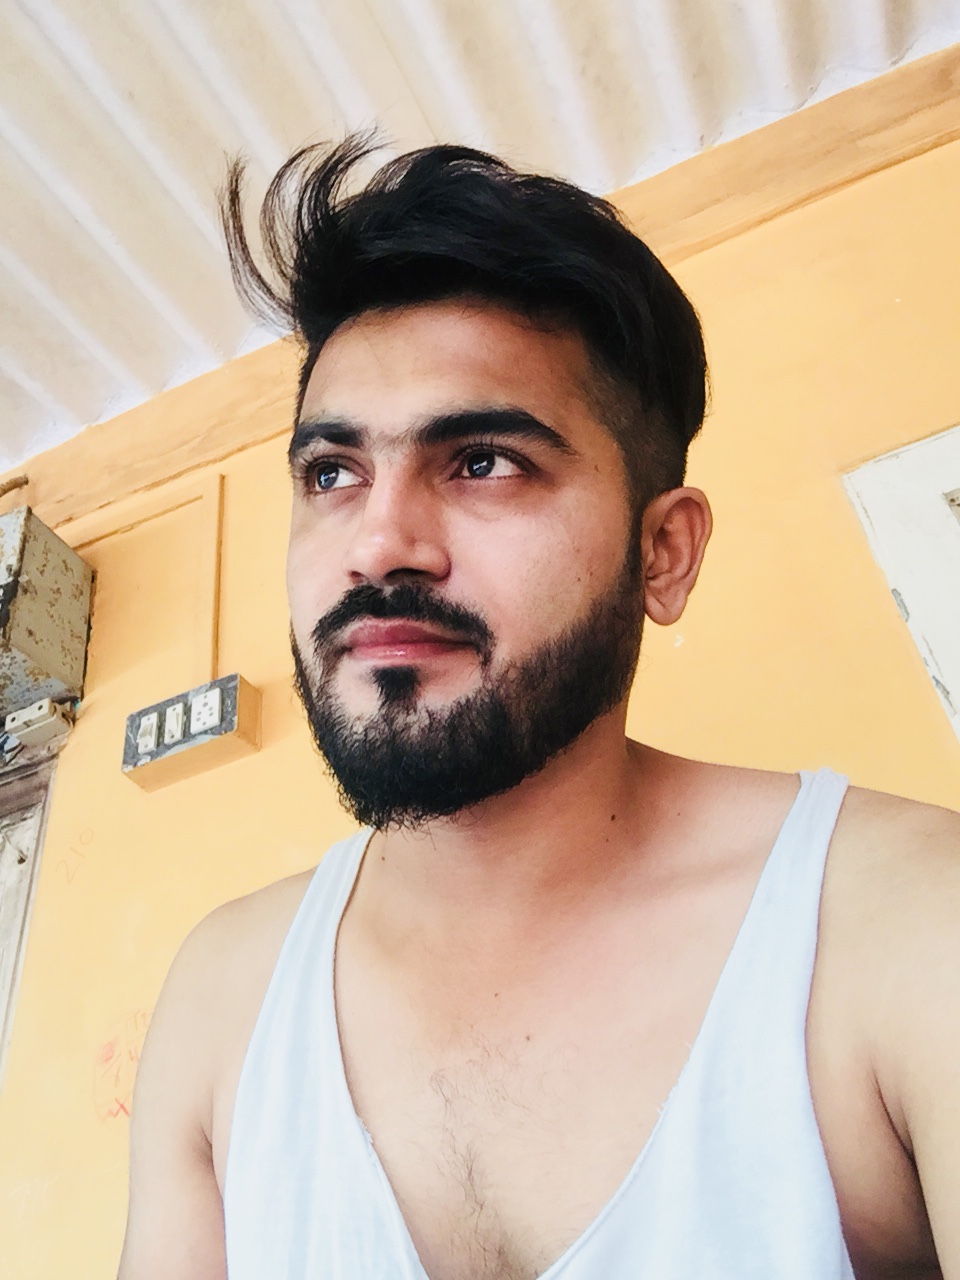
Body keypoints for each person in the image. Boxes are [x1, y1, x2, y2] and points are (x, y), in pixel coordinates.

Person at [118, 136, 958, 1280]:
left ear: (663, 553)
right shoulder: (224, 997)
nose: (378, 543)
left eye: (482, 461)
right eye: (332, 473)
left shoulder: (902, 923)